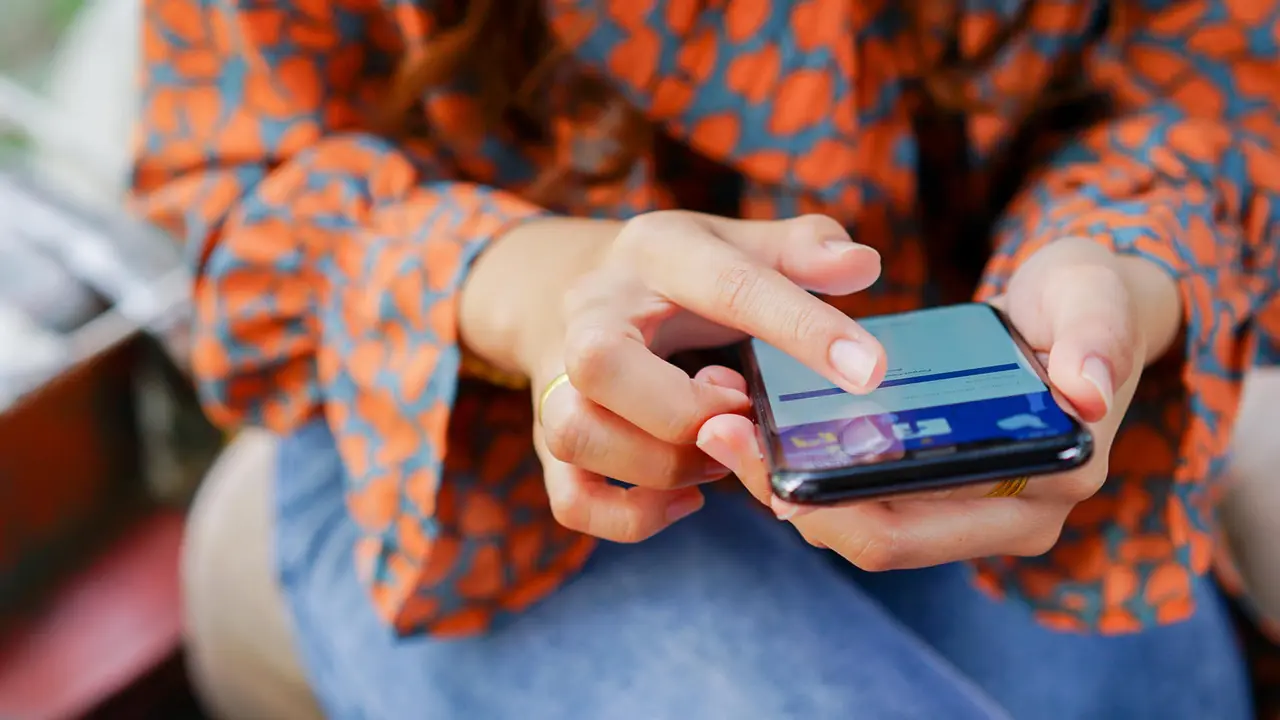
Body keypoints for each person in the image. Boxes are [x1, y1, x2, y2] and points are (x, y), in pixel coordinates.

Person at [132, 0, 1280, 717]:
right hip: (454, 447)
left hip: (945, 366)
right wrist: (543, 288)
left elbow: (1204, 77)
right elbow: (241, 204)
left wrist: (1123, 256)